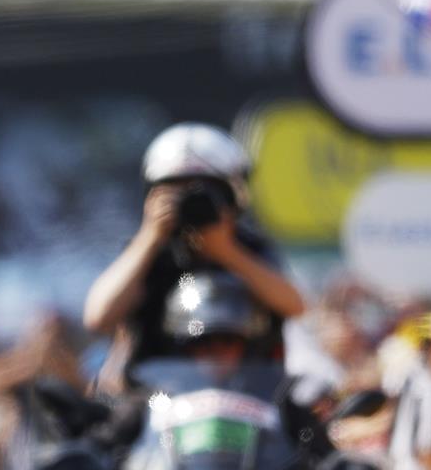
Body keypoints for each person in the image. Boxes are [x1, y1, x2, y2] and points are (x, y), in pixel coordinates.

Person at [83, 123, 304, 385]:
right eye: (175, 192)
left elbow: (294, 305)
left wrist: (226, 252)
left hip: (251, 397)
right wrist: (150, 237)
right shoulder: (148, 257)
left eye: (203, 192)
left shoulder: (251, 250)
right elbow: (97, 316)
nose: (190, 204)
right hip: (158, 404)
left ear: (235, 196)